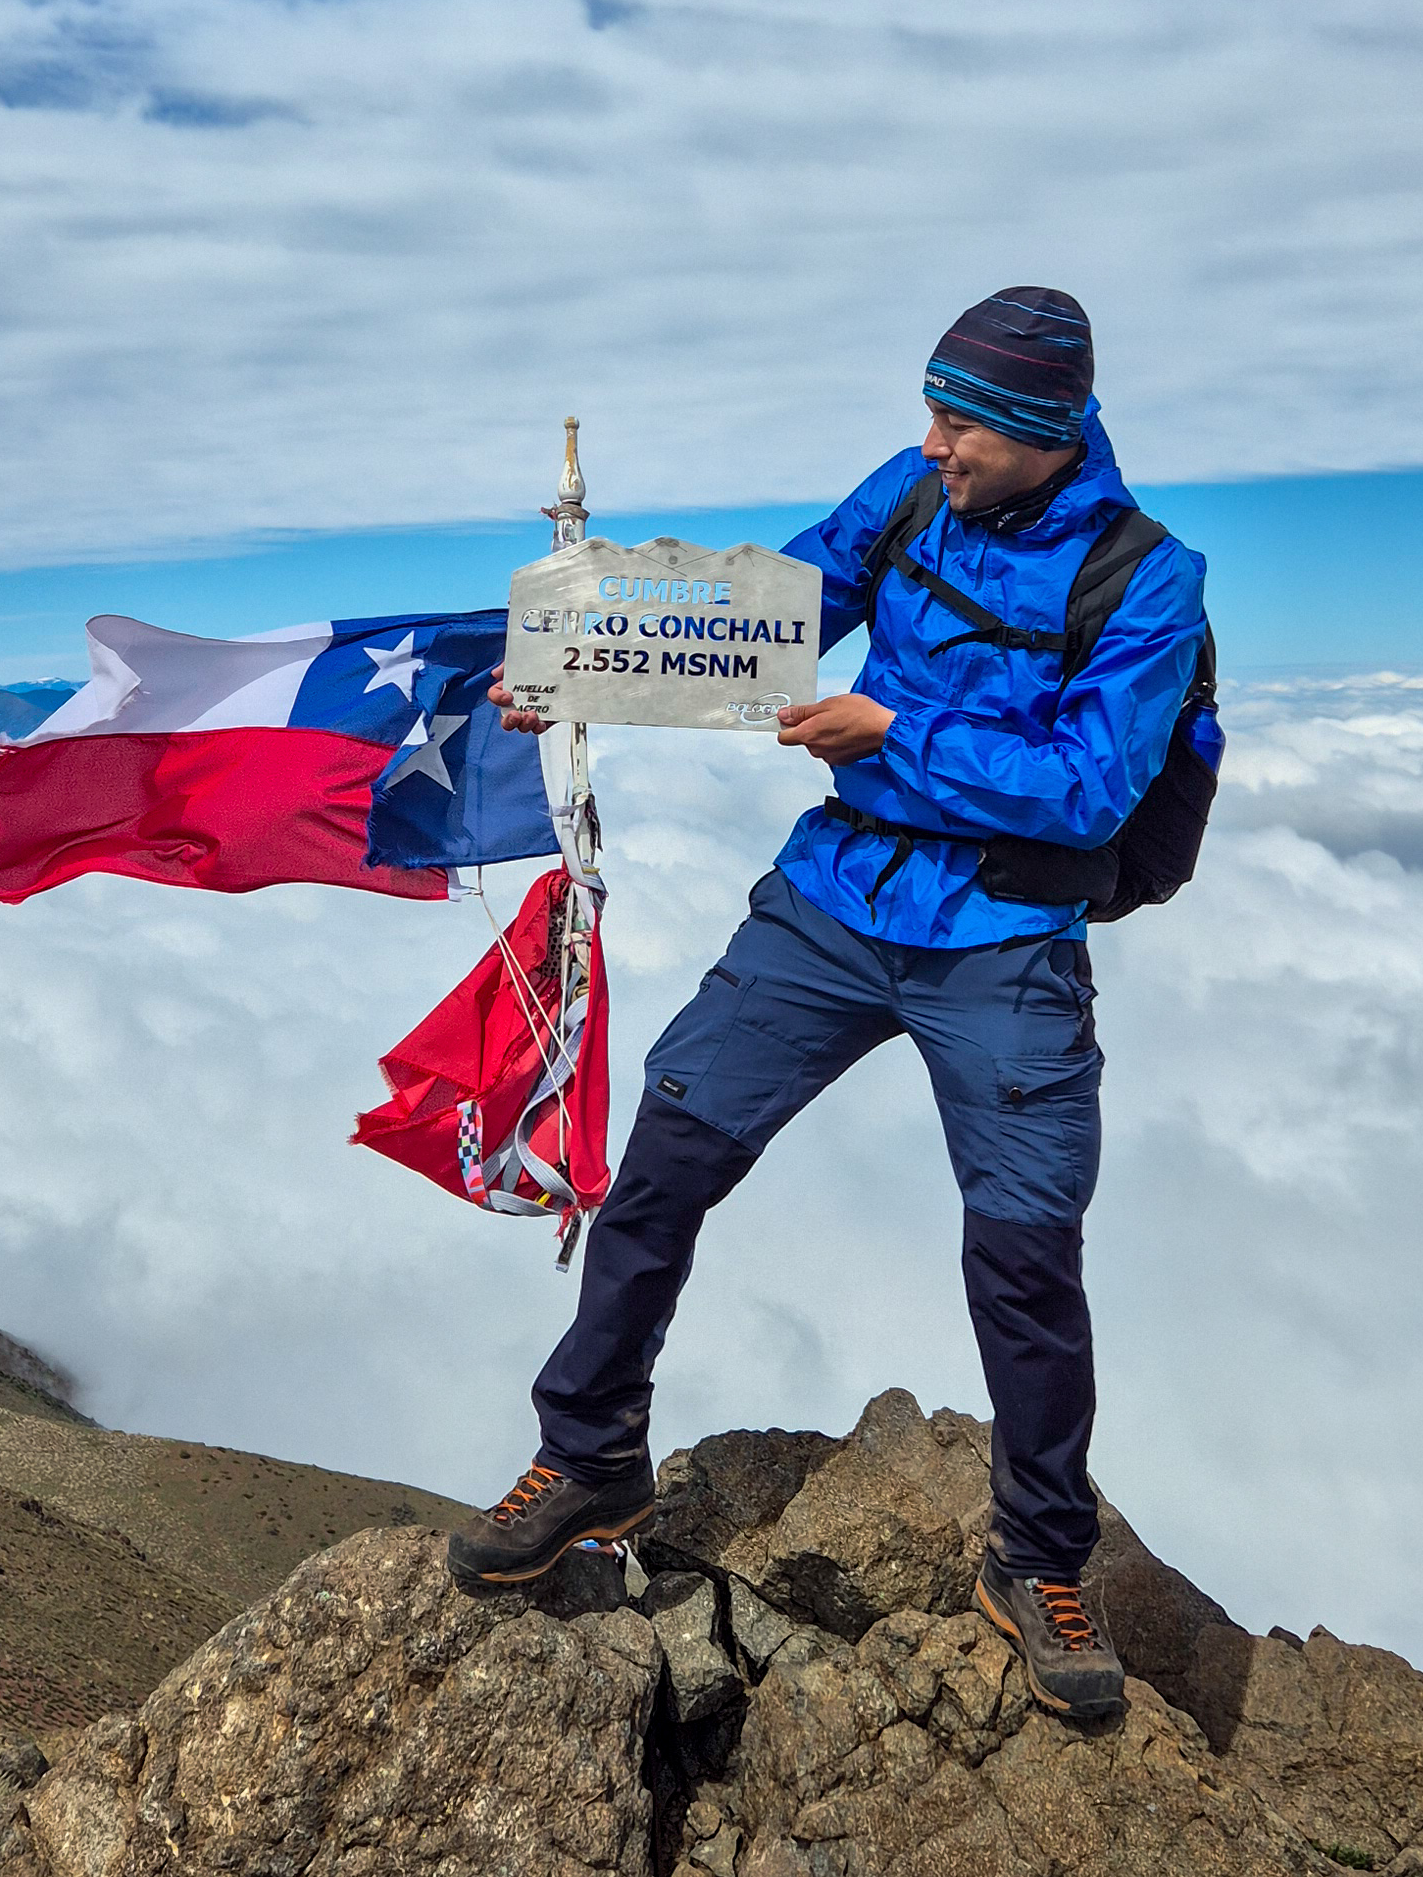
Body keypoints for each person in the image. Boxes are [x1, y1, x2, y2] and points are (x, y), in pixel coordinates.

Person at [445, 285, 1207, 1723]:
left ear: (1045, 430)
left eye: (961, 421)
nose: (932, 444)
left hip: (1005, 936)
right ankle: (593, 1449)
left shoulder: (1147, 580)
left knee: (1027, 1257)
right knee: (667, 1153)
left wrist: (897, 729)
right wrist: (580, 674)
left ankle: (1040, 1560)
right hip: (837, 899)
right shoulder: (910, 496)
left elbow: (1093, 785)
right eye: (928, 411)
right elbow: (771, 622)